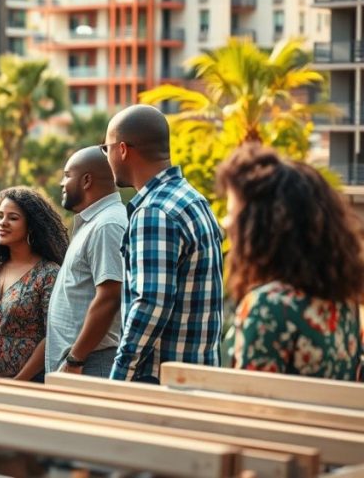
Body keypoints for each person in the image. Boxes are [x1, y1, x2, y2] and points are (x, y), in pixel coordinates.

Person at [217, 144, 364, 380]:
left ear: (263, 225)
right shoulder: (345, 303)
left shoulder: (269, 308)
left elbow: (249, 408)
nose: (226, 223)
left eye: (234, 213)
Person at [102, 105, 224, 382]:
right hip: (199, 374)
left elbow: (150, 304)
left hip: (161, 380)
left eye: (106, 148)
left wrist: (120, 376)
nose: (106, 157)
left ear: (122, 149)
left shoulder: (153, 212)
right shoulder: (192, 198)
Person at [46, 146, 126, 377]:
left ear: (87, 180)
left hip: (89, 363)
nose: (62, 182)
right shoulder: (94, 222)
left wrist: (75, 358)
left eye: (68, 175)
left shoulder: (107, 225)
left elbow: (110, 296)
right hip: (79, 363)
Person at [0, 187, 68, 382]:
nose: (2, 223)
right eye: (0, 216)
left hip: (30, 383)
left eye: (13, 218)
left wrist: (19, 381)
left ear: (31, 226)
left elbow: (51, 335)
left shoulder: (48, 273)